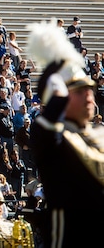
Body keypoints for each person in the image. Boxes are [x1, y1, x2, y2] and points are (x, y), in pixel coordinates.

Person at [29, 19, 103, 247]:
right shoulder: (53, 138)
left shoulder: (97, 137)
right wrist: (57, 93)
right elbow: (45, 128)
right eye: (80, 91)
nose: (89, 96)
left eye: (89, 89)